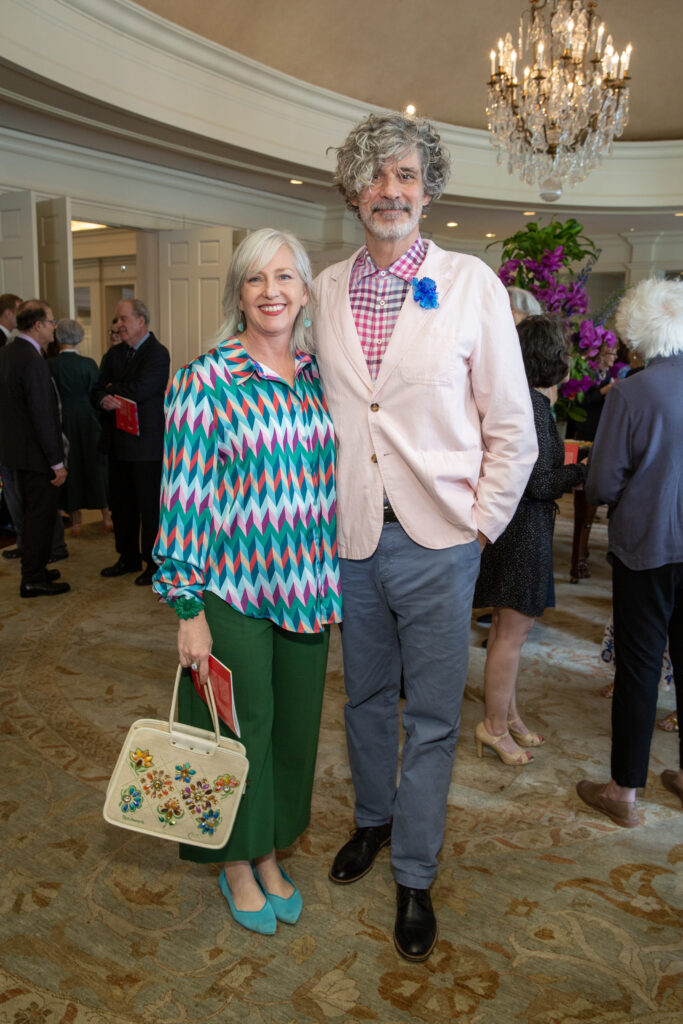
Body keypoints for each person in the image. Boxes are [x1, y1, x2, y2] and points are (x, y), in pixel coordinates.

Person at [313, 112, 537, 962]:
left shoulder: (471, 282)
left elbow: (511, 425)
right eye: (374, 177)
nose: (389, 192)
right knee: (365, 700)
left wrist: (477, 526)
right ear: (352, 191)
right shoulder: (326, 288)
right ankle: (372, 822)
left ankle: (414, 869)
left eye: (404, 176)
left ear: (429, 189)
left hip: (440, 542)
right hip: (353, 537)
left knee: (435, 718)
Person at [153, 228, 342, 936]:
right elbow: (184, 498)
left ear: (303, 292)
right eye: (257, 279)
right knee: (236, 734)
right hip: (231, 591)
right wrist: (186, 606)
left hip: (307, 589)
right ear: (238, 293)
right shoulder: (206, 379)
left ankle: (267, 849)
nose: (272, 292)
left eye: (286, 278)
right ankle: (234, 860)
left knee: (293, 735)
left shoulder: (318, 375)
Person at [576, 277, 683, 826]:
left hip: (648, 545)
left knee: (640, 666)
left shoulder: (633, 392)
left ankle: (623, 793)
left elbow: (602, 483)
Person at [473, 315, 587, 765]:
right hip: (524, 532)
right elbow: (539, 482)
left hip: (513, 528)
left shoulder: (524, 402)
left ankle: (509, 716)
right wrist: (583, 470)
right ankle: (495, 727)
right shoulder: (536, 408)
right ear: (553, 357)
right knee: (510, 636)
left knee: (505, 631)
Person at [93, 299, 169, 585]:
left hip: (146, 445)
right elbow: (96, 389)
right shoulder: (113, 354)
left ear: (141, 321)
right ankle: (127, 556)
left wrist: (114, 390)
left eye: (123, 319)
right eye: (117, 320)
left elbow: (144, 389)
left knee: (149, 506)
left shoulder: (158, 353)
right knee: (121, 504)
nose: (118, 325)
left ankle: (153, 563)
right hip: (116, 442)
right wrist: (103, 396)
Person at [0, 299, 70, 597]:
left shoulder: (8, 352)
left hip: (15, 451)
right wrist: (57, 462)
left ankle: (37, 567)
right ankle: (32, 578)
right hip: (36, 454)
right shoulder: (31, 359)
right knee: (39, 517)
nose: (55, 327)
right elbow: (43, 413)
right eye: (52, 321)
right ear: (38, 325)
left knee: (30, 516)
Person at [48, 318, 111, 535]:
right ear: (80, 337)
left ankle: (76, 523)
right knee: (96, 465)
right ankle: (106, 517)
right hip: (88, 418)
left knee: (70, 466)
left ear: (57, 336)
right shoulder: (89, 364)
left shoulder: (50, 364)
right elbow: (97, 394)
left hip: (62, 419)